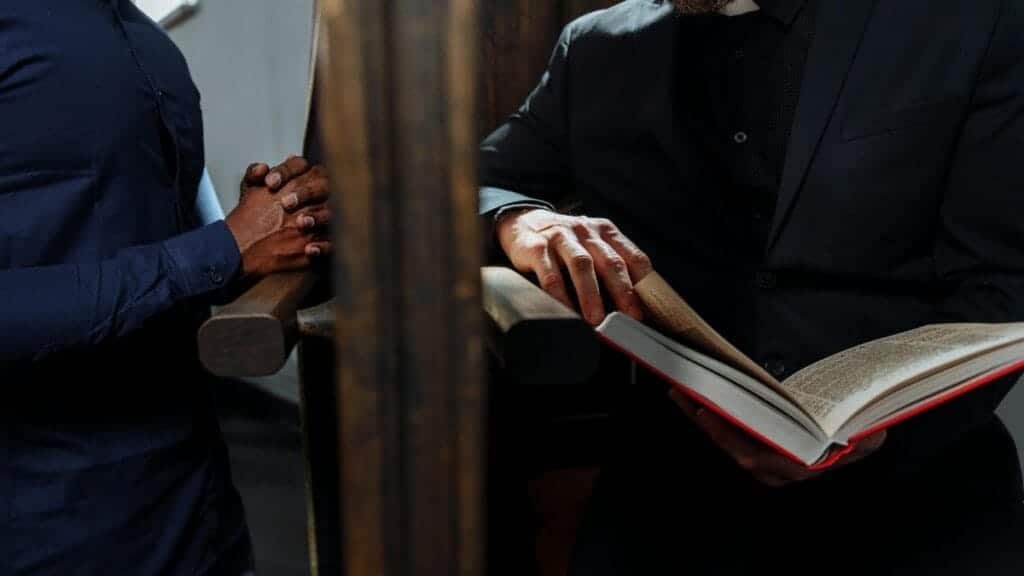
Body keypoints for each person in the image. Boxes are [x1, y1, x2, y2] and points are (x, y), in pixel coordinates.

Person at [479, 0, 1024, 573]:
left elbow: (1005, 282)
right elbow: (481, 181)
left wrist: (896, 436)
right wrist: (520, 218)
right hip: (668, 494)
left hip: (921, 495)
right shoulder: (593, 45)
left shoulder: (978, 23)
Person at [0, 1, 327, 574]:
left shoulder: (145, 39)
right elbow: (203, 254)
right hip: (49, 524)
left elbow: (196, 251)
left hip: (196, 505)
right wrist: (219, 250)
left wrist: (275, 221)